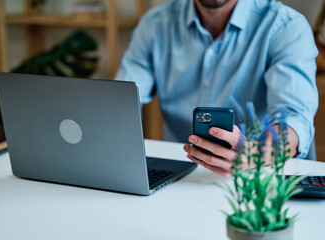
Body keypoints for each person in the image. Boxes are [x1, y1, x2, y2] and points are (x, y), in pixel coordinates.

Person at [115, 0, 318, 177]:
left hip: (257, 179)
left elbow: (294, 119)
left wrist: (254, 155)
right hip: (178, 175)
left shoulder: (286, 26)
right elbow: (119, 102)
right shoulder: (155, 23)